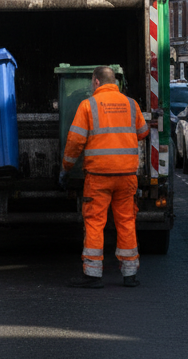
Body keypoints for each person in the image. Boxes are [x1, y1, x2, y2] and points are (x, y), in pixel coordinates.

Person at [60, 65, 148, 288]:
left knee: (95, 222)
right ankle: (129, 275)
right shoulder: (131, 104)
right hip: (127, 175)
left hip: (99, 176)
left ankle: (92, 275)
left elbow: (75, 142)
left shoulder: (88, 105)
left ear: (96, 82)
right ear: (115, 82)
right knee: (126, 221)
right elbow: (143, 132)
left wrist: (66, 169)